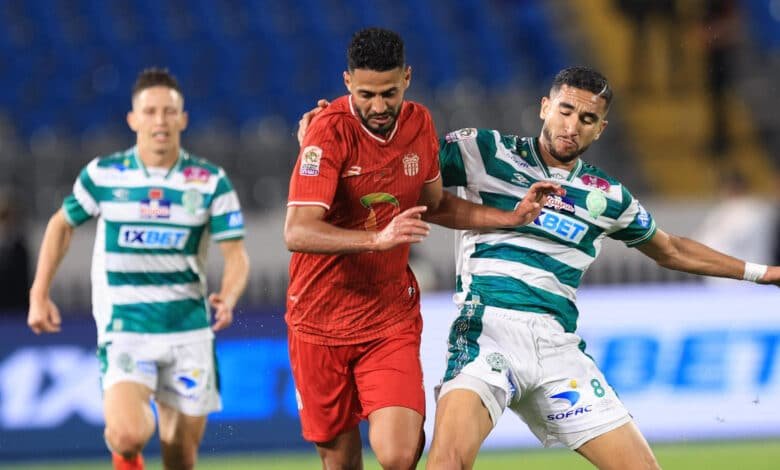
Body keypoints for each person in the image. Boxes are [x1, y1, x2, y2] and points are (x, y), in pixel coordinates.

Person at [419, 66, 780, 469]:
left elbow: (672, 250)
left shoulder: (608, 196)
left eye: (587, 119)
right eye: (566, 110)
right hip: (488, 331)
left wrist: (764, 273)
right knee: (448, 462)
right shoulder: (484, 151)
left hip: (557, 348)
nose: (573, 126)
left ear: (600, 129)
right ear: (544, 107)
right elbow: (408, 175)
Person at [285, 28, 560, 470]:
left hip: (387, 318)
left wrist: (509, 217)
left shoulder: (418, 124)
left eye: (389, 93)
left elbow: (435, 205)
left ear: (407, 79)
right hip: (318, 323)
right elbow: (298, 231)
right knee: (341, 462)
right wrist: (377, 240)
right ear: (347, 82)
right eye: (366, 95)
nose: (379, 106)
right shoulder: (327, 132)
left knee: (397, 455)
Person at [27, 68, 250, 470]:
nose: (160, 120)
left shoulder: (210, 182)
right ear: (133, 119)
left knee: (180, 458)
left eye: (169, 111)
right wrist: (39, 292)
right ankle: (128, 450)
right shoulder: (104, 175)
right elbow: (61, 224)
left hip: (188, 331)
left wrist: (229, 295)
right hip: (126, 328)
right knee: (128, 435)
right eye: (150, 111)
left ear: (183, 119)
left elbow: (236, 255)